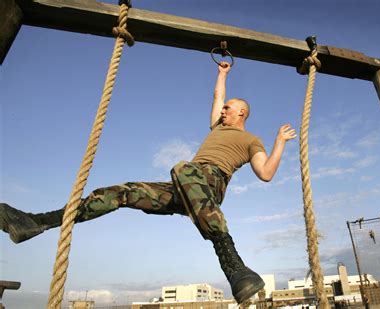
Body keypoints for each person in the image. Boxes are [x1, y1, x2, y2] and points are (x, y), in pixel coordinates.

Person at [0, 61, 297, 304]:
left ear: (241, 113)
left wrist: (279, 142)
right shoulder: (216, 126)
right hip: (184, 187)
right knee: (121, 193)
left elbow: (266, 173)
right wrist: (222, 74)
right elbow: (218, 97)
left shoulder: (250, 140)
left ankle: (235, 267)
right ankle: (36, 222)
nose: (222, 111)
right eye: (223, 108)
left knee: (184, 167)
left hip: (209, 186)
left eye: (228, 109)